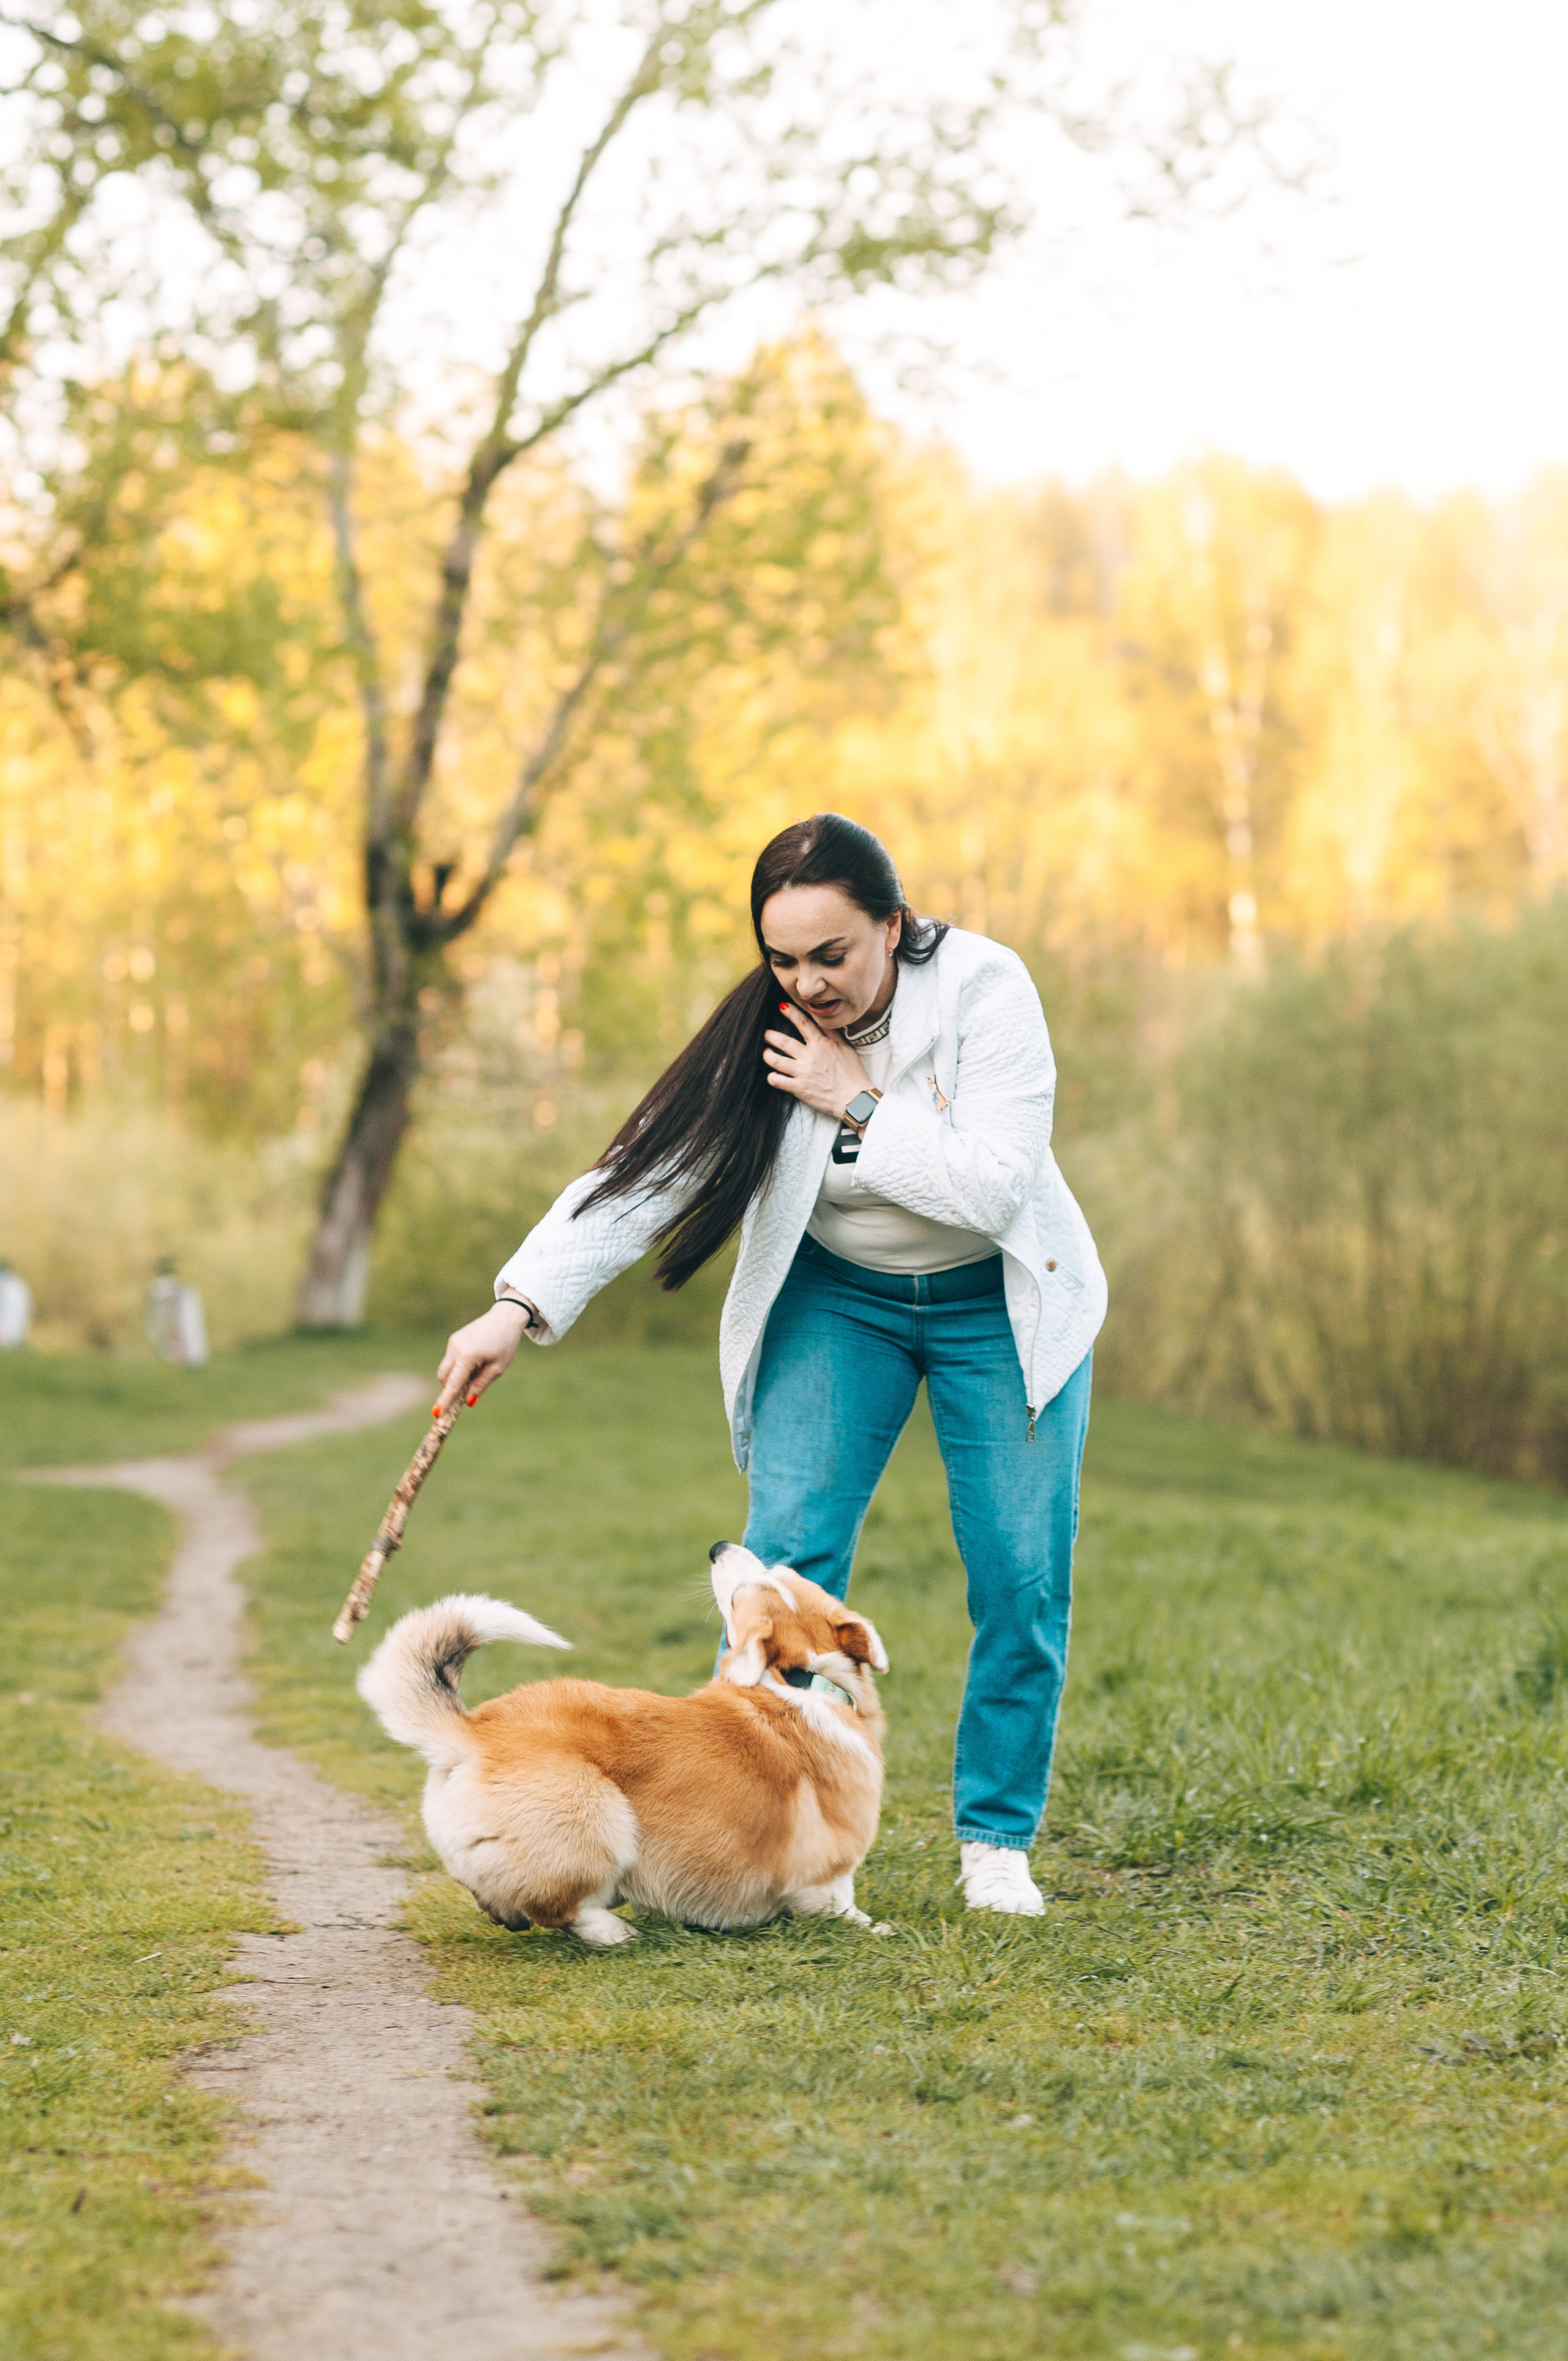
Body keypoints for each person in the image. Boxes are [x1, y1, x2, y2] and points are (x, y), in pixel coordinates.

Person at [435, 814, 1106, 1916]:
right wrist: (520, 1303)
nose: (807, 982)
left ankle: (996, 1840)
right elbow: (640, 1174)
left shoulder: (987, 992)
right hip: (840, 1302)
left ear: (894, 925)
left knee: (1021, 1577)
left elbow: (992, 1187)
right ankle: (732, 1839)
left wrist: (853, 1098)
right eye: (782, 959)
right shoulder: (771, 1029)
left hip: (1003, 1297)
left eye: (831, 954)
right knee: (780, 1560)